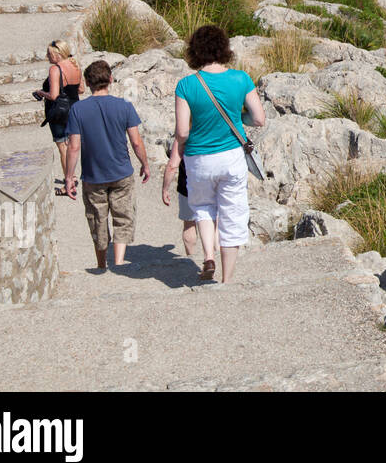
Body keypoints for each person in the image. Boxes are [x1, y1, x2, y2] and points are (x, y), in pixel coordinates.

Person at [165, 25, 265, 284]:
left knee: (202, 208)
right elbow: (259, 119)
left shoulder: (186, 85)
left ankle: (208, 255)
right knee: (232, 214)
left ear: (194, 51)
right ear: (224, 48)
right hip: (231, 156)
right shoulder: (241, 78)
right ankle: (227, 279)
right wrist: (237, 117)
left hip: (199, 158)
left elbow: (183, 132)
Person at [63, 60, 150, 270]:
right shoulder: (124, 106)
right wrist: (145, 164)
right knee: (123, 216)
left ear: (87, 82)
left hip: (93, 176)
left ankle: (102, 264)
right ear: (110, 79)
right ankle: (119, 263)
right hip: (121, 172)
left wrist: (69, 177)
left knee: (97, 220)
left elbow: (73, 148)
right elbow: (136, 142)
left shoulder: (78, 110)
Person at [33, 39, 84, 184]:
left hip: (59, 111)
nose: (47, 56)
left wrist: (41, 92)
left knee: (62, 146)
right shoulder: (75, 65)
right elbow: (81, 89)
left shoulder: (55, 69)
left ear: (57, 54)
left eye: (49, 53)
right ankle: (72, 176)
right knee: (72, 144)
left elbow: (54, 95)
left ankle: (69, 179)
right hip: (75, 108)